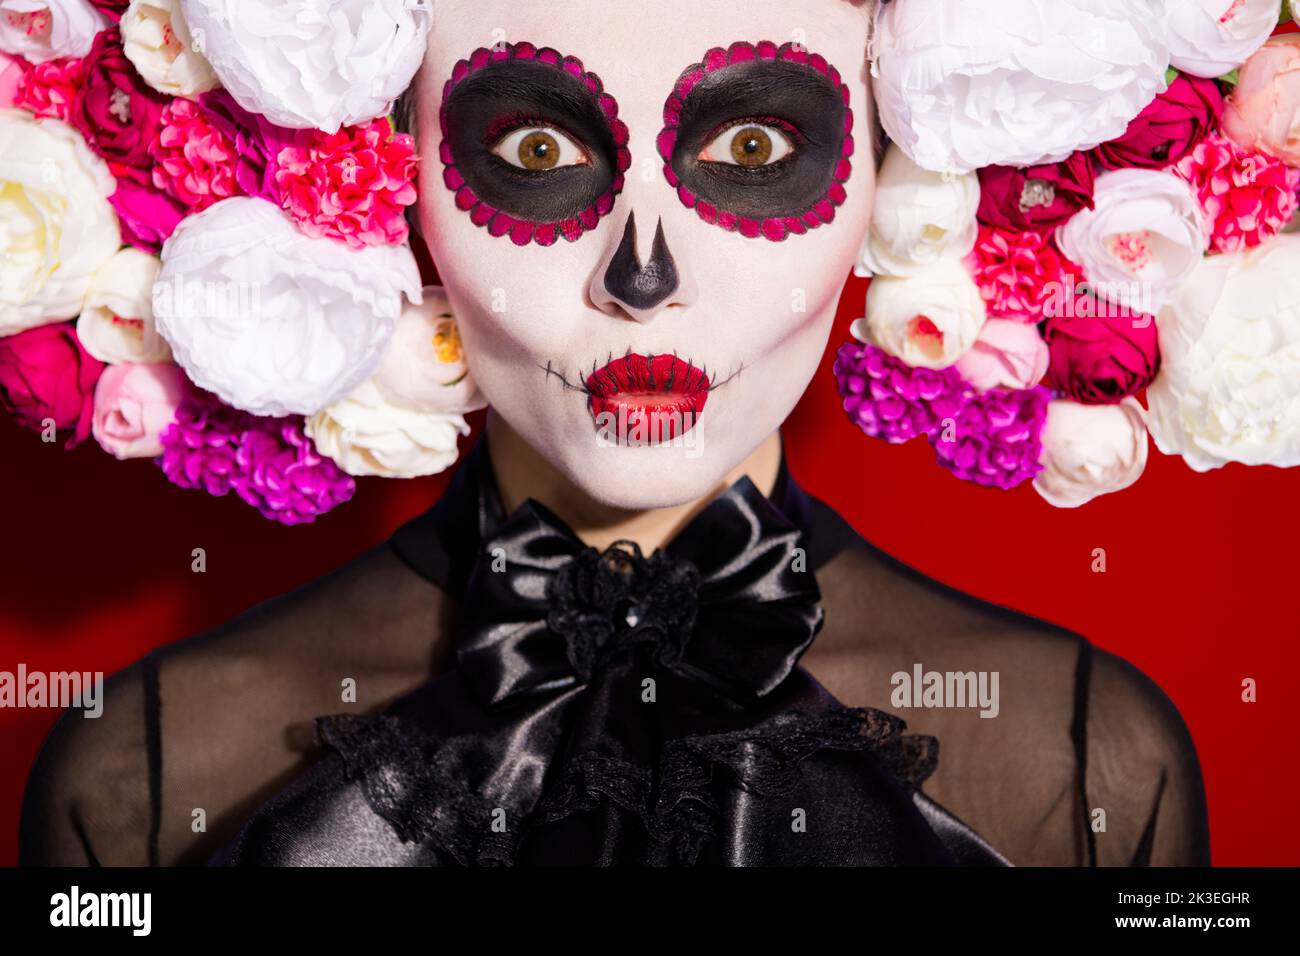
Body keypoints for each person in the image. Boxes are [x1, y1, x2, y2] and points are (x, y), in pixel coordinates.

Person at [19, 0, 1209, 867]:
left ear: (895, 186)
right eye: (536, 150)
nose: (641, 278)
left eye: (753, 148)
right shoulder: (147, 769)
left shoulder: (1086, 759)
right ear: (382, 181)